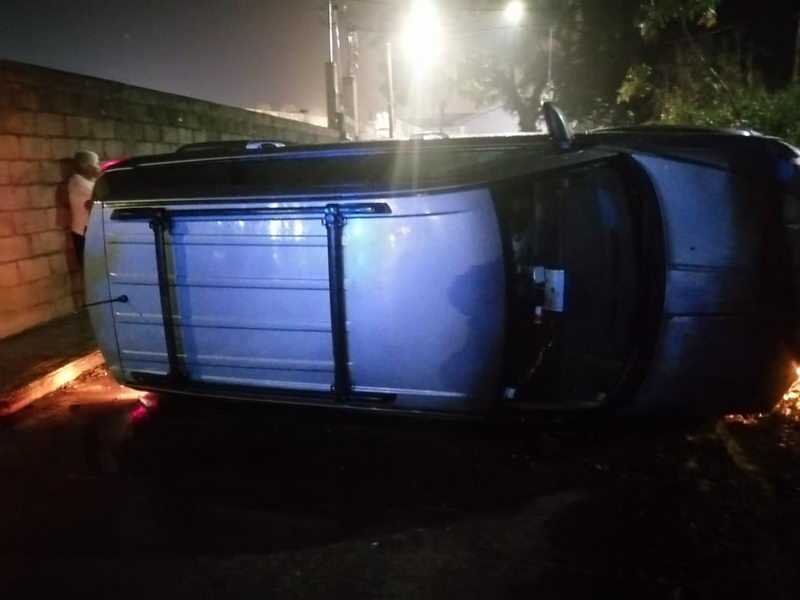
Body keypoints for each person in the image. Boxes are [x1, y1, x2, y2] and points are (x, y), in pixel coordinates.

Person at [68, 150, 100, 264]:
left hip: (87, 231)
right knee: (90, 266)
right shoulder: (79, 182)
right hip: (83, 232)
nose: (98, 167)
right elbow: (101, 195)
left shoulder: (87, 182)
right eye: (96, 164)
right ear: (86, 166)